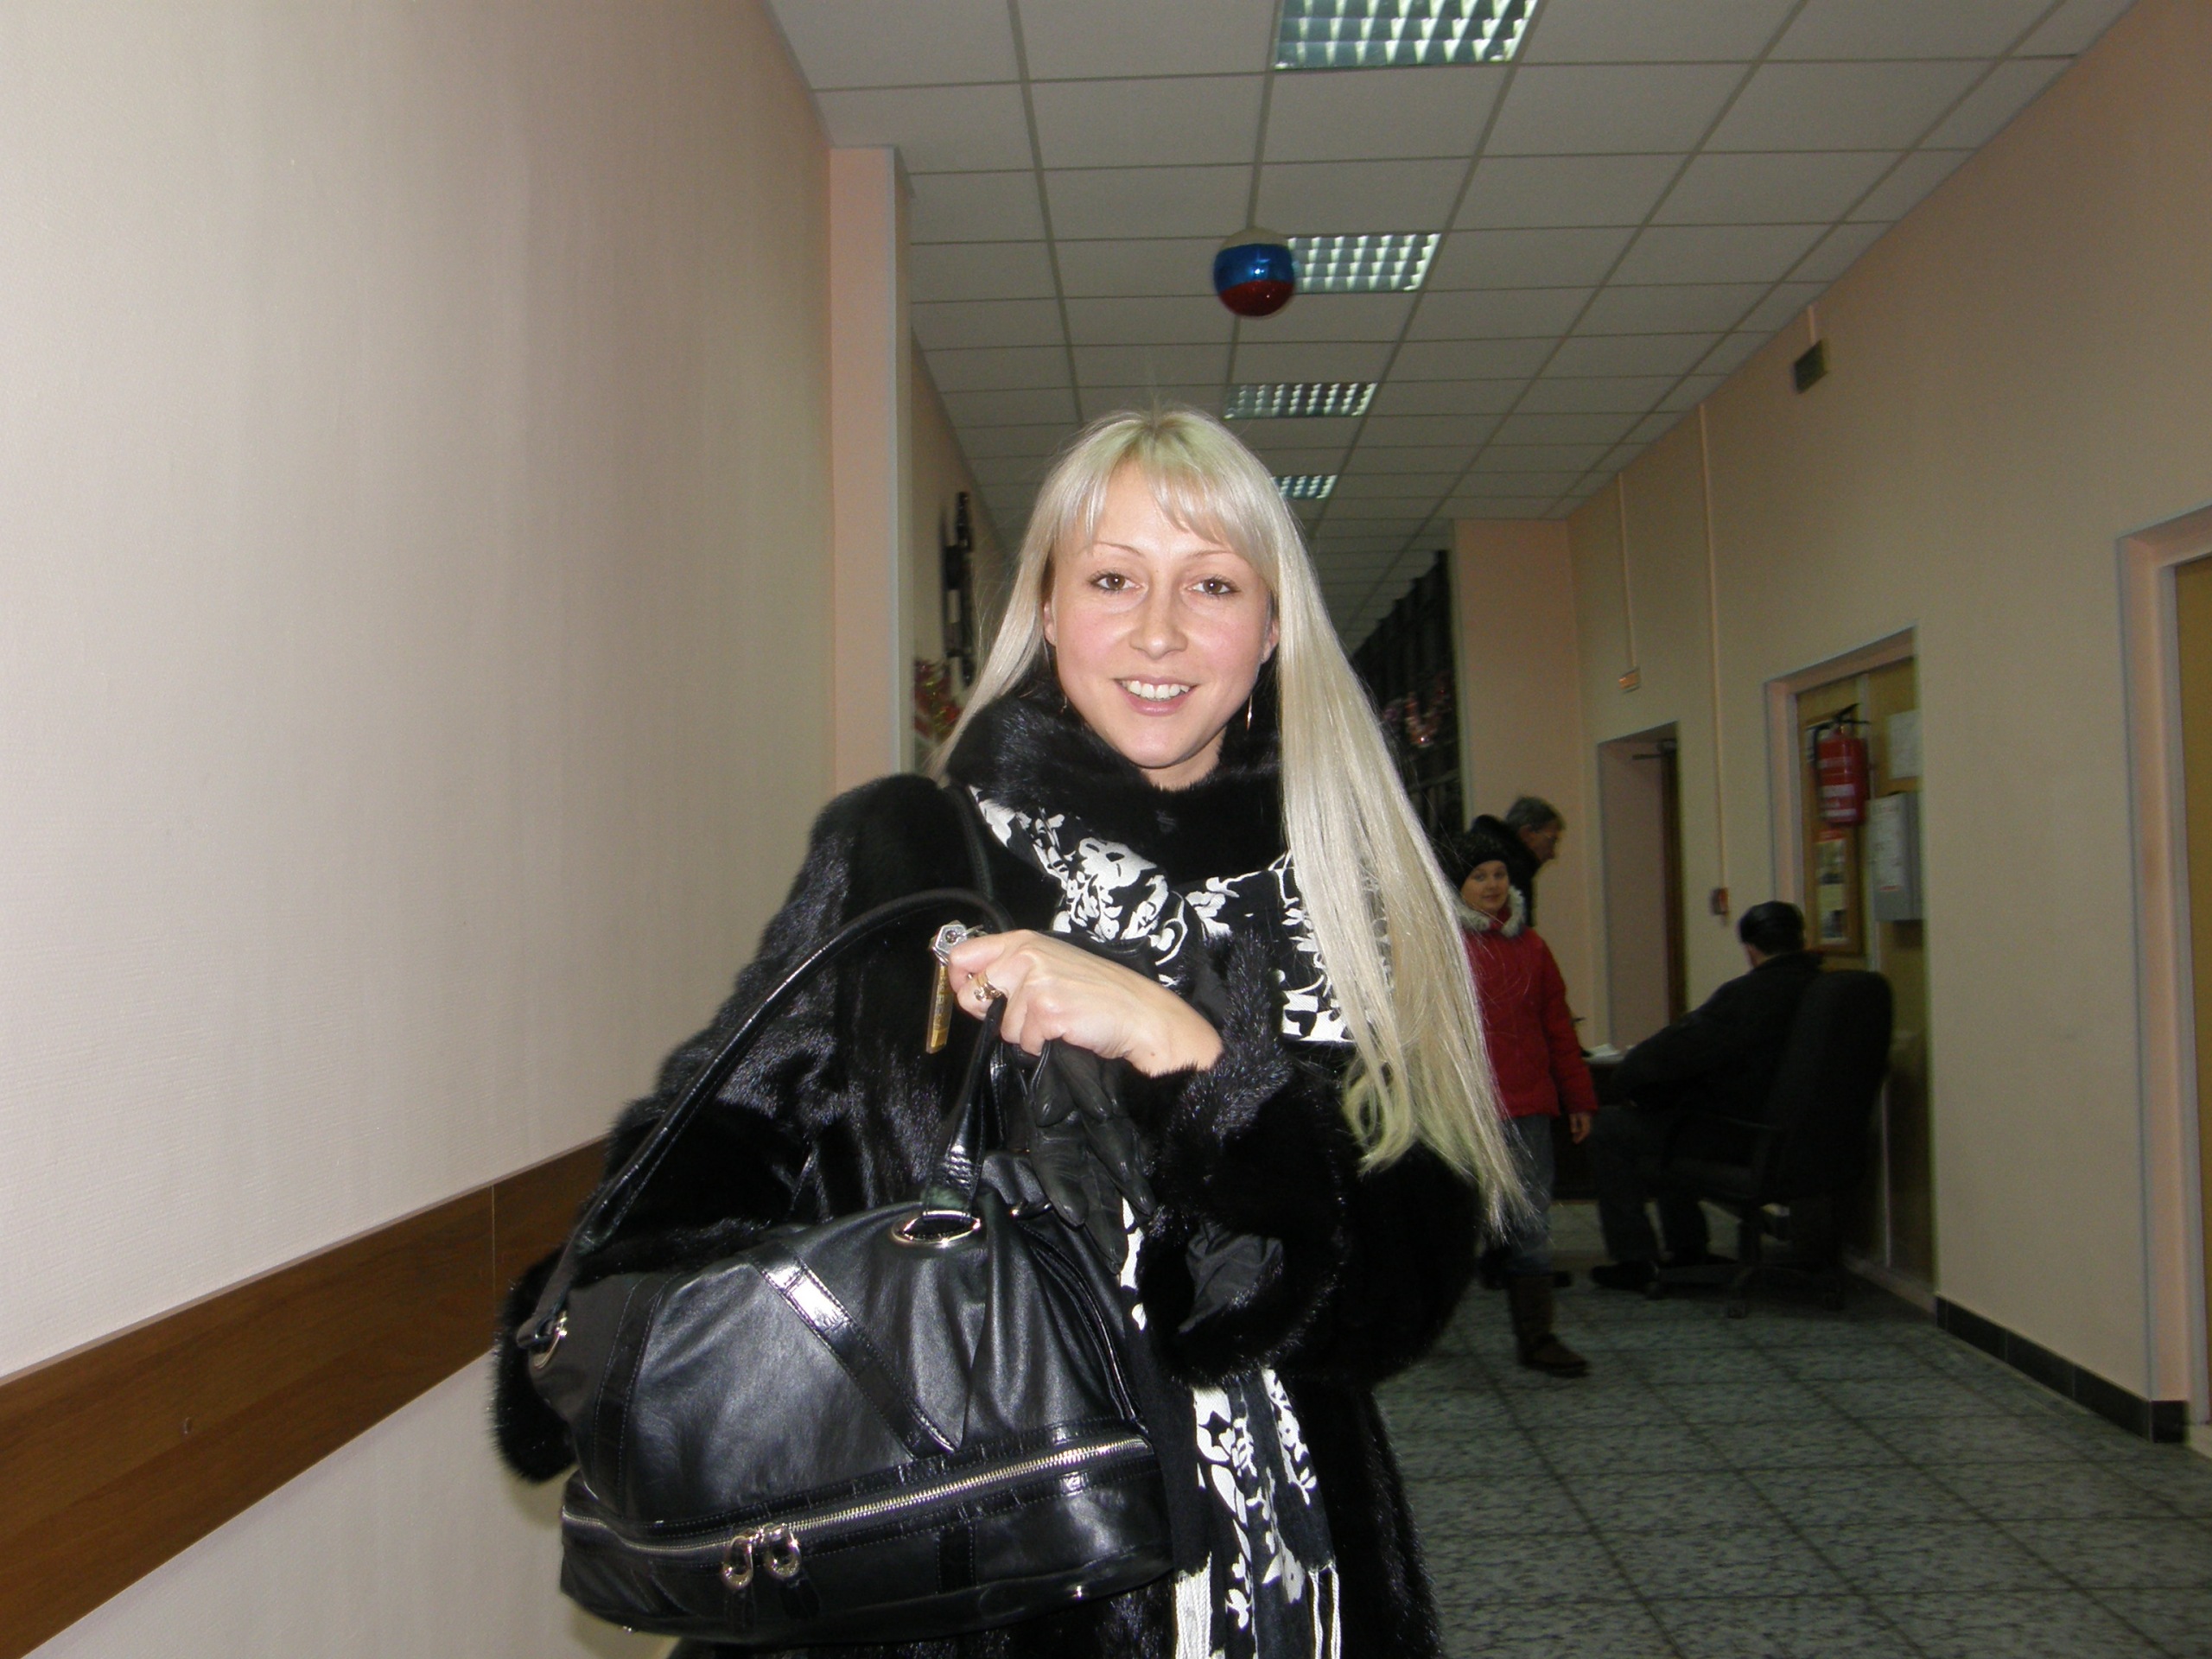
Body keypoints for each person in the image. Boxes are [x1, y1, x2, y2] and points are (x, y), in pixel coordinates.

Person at [493, 407, 1522, 1659]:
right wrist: (612, 1347)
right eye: (1112, 579)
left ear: (1269, 628)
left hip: (1277, 1567)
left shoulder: (1352, 901)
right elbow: (722, 1137)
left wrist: (1193, 1058)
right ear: (1047, 608)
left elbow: (1394, 1304)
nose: (1158, 631)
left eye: (1211, 584)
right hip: (950, 1570)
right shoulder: (913, 859)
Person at [1585, 901, 1824, 1291]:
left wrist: (1627, 1079)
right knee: (1674, 1118)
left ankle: (1636, 1258)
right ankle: (1687, 1248)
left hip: (1742, 1136)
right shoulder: (1823, 991)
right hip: (1804, 1141)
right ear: (1800, 939)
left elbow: (1670, 1053)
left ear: (1750, 949)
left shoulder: (1747, 997)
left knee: (1612, 1128)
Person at [1444, 820, 1597, 1378]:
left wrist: (1578, 1098)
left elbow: (1557, 1027)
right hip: (1462, 1111)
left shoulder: (1533, 948)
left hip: (1527, 1107)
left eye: (1500, 874)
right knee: (1453, 1222)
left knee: (1530, 1223)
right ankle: (1422, 1325)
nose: (1492, 885)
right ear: (1458, 885)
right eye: (1479, 876)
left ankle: (1538, 1337)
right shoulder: (1443, 949)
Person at [1468, 795, 1563, 924]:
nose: (1552, 854)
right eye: (1551, 841)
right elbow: (1516, 934)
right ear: (1527, 833)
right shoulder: (1513, 874)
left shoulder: (1473, 854)